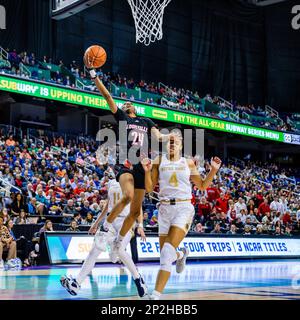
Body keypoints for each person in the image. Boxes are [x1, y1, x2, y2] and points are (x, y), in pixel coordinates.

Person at [84, 55, 174, 257]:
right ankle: (106, 226)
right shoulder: (122, 117)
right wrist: (93, 75)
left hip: (143, 165)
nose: (126, 105)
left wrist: (171, 138)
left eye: (128, 104)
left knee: (135, 211)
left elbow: (159, 136)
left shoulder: (146, 121)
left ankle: (118, 242)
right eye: (123, 105)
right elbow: (108, 97)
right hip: (128, 162)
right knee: (128, 195)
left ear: (135, 108)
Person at [142, 134, 222, 300]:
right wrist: (147, 172)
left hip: (183, 207)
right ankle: (181, 254)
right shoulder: (158, 161)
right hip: (164, 209)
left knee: (165, 254)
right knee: (166, 255)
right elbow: (149, 189)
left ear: (180, 146)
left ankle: (155, 296)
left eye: (175, 142)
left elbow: (201, 185)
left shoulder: (188, 162)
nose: (171, 144)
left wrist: (213, 170)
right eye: (169, 141)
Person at [60, 173, 148, 298]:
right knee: (94, 250)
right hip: (110, 221)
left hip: (126, 221)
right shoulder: (112, 182)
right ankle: (76, 284)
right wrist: (96, 223)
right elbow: (107, 206)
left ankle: (139, 280)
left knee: (119, 251)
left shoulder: (132, 180)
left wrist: (140, 225)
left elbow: (137, 206)